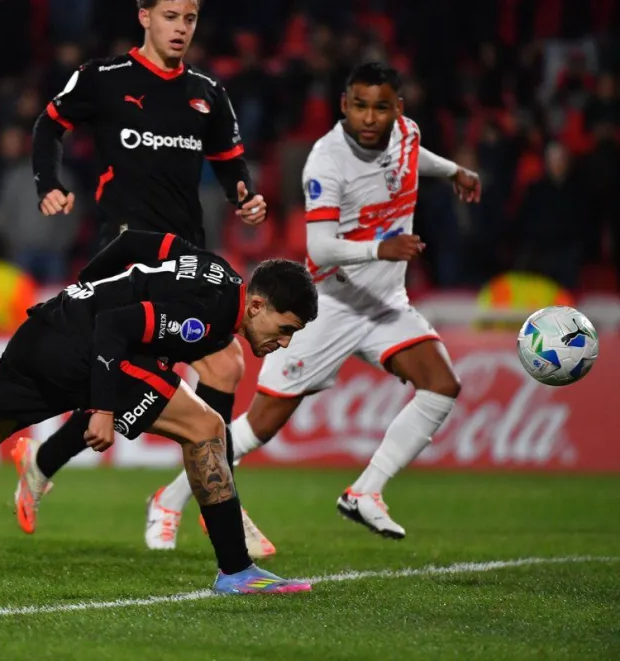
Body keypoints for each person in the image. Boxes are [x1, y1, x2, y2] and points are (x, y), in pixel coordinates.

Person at [0, 230, 318, 594]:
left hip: (44, 333)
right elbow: (115, 327)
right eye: (285, 329)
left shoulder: (216, 270)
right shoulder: (210, 316)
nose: (284, 342)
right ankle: (235, 570)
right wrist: (103, 408)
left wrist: (82, 285)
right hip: (79, 347)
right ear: (257, 306)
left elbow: (134, 243)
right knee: (205, 426)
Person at [146, 62, 482, 544]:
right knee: (259, 426)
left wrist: (454, 172)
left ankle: (366, 491)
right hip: (330, 307)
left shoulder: (407, 133)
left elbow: (412, 157)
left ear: (398, 109)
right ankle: (170, 497)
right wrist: (380, 249)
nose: (370, 117)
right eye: (360, 106)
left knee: (441, 383)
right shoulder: (327, 160)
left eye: (381, 107)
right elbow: (320, 248)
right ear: (344, 105)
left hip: (385, 302)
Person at [24, 0, 275, 558]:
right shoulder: (103, 77)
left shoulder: (208, 92)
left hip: (186, 255)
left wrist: (245, 196)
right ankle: (218, 504)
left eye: (190, 18)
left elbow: (230, 163)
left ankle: (44, 459)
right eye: (170, 16)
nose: (181, 28)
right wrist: (48, 184)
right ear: (144, 16)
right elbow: (48, 125)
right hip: (127, 252)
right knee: (218, 365)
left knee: (161, 380)